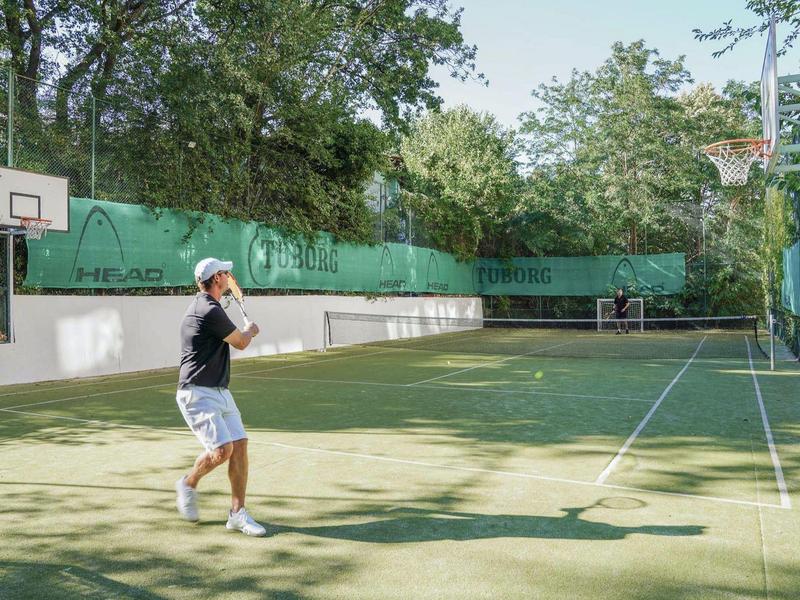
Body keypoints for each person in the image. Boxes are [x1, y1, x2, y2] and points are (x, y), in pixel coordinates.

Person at [174, 257, 266, 536]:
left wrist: (245, 333)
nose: (229, 277)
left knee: (239, 445)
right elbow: (239, 341)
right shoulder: (206, 308)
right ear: (216, 279)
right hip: (196, 392)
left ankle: (237, 515)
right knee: (222, 450)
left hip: (219, 390)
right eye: (225, 273)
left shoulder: (210, 306)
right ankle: (188, 483)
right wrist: (250, 331)